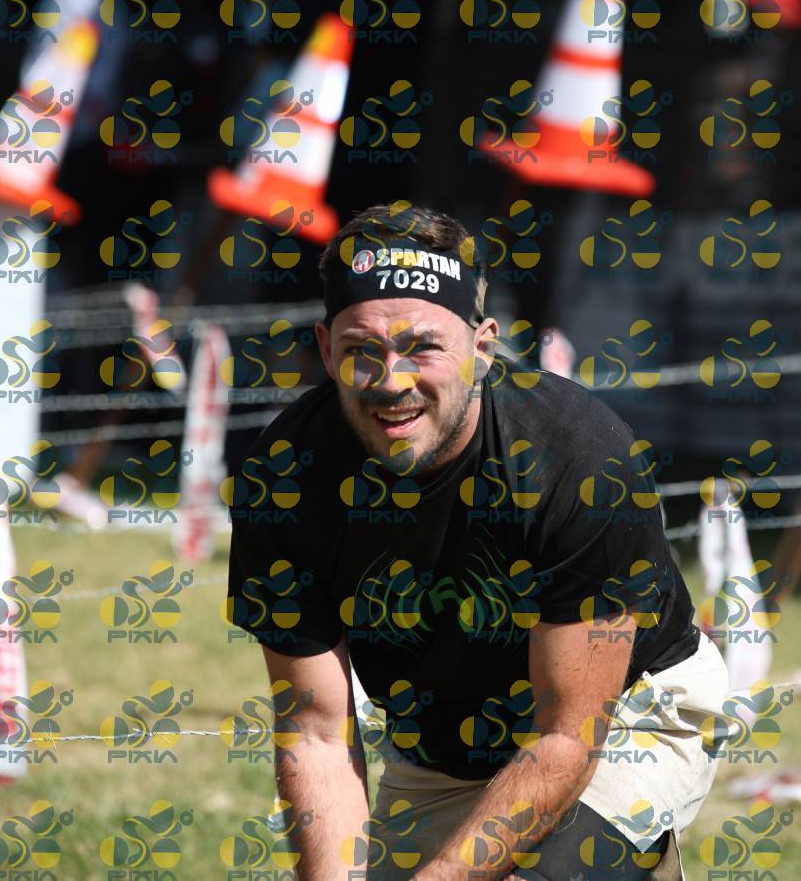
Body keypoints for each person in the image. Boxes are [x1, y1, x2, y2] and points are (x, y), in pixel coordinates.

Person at [226, 202, 728, 881]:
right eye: (360, 350)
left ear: (483, 347)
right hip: (439, 752)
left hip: (625, 718)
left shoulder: (577, 460)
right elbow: (316, 736)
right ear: (324, 348)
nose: (391, 382)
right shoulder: (283, 477)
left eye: (423, 347)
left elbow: (567, 735)